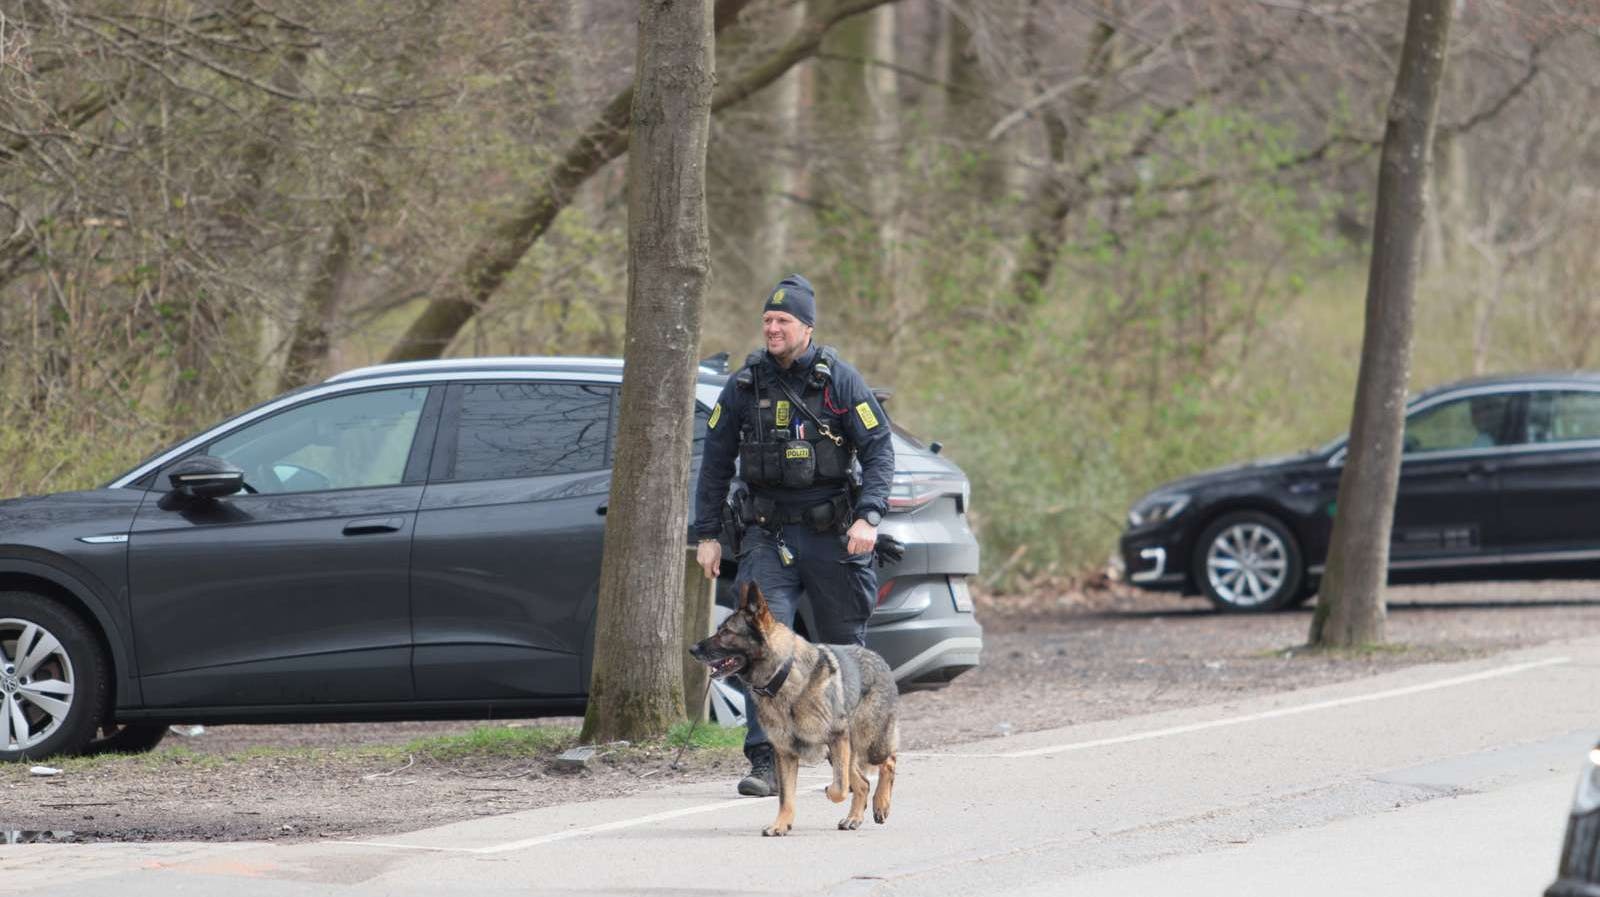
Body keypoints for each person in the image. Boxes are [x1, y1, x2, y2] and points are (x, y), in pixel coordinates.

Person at [693, 273, 895, 797]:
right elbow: (715, 461)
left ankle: (844, 760)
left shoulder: (840, 381)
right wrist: (708, 533)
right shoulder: (744, 384)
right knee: (762, 647)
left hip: (833, 535)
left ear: (807, 327)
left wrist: (868, 517)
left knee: (844, 652)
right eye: (767, 321)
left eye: (783, 321)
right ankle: (764, 760)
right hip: (767, 533)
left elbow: (879, 450)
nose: (772, 328)